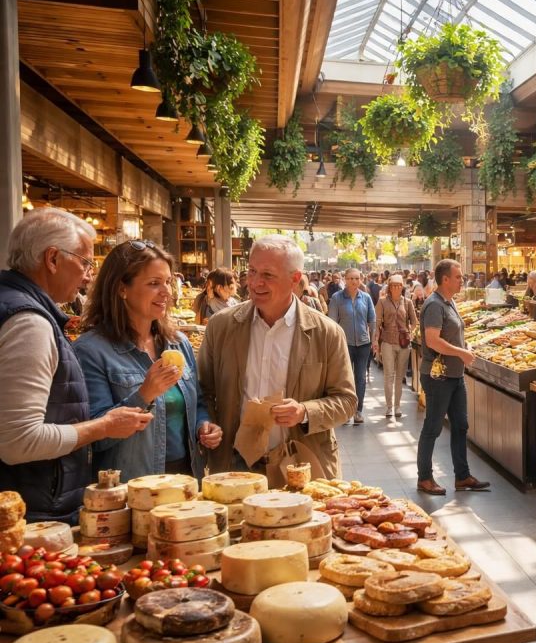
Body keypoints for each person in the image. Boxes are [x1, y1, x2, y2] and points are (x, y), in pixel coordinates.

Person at [0, 210, 153, 522]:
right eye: (84, 262)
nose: (88, 275)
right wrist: (104, 426)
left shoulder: (16, 306)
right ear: (53, 259)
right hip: (30, 508)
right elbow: (18, 441)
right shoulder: (29, 323)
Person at [197, 235, 357, 478]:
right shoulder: (221, 327)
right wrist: (206, 423)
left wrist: (304, 412)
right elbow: (203, 391)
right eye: (252, 272)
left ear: (295, 280)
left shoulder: (327, 333)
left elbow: (346, 401)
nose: (255, 282)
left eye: (268, 275)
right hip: (234, 464)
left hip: (301, 465)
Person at [73, 241, 223, 479]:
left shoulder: (178, 343)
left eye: (168, 282)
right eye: (154, 284)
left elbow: (198, 403)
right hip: (130, 487)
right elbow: (93, 438)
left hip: (186, 477)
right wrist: (145, 394)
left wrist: (203, 425)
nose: (167, 292)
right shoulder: (91, 351)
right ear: (122, 288)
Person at [416, 260, 490, 496]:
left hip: (455, 375)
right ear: (445, 279)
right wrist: (461, 352)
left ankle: (462, 476)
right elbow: (432, 340)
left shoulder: (450, 303)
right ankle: (424, 478)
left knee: (460, 425)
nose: (462, 280)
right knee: (433, 427)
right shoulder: (434, 305)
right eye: (458, 277)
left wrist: (464, 346)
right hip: (439, 376)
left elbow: (452, 334)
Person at [329, 269, 376, 425]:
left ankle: (358, 410)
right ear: (345, 279)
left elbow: (372, 320)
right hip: (345, 344)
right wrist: (334, 344)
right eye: (350, 278)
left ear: (361, 279)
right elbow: (332, 323)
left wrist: (374, 340)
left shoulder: (366, 298)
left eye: (356, 278)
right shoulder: (337, 298)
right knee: (346, 379)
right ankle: (346, 411)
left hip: (363, 344)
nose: (354, 281)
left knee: (360, 378)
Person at [373, 275, 417, 419]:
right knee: (388, 376)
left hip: (403, 343)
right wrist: (375, 341)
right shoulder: (382, 302)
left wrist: (410, 332)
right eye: (394, 285)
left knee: (400, 376)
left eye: (399, 285)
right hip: (387, 342)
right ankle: (389, 407)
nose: (397, 287)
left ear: (402, 287)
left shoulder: (408, 302)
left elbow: (414, 322)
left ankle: (397, 406)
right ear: (389, 287)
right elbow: (377, 324)